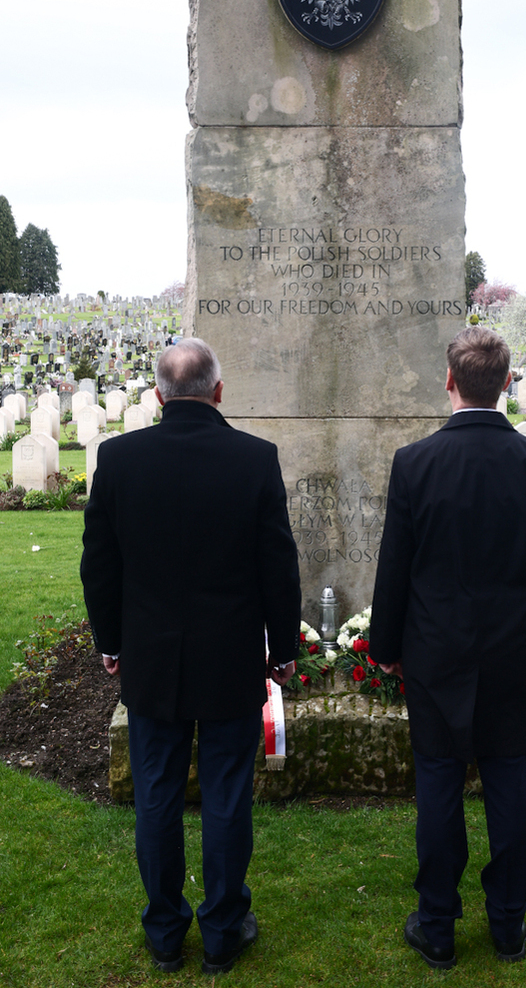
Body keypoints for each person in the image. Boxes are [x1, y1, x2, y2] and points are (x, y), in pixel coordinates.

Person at [81, 338, 301, 975]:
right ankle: (223, 928)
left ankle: (164, 929)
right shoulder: (254, 459)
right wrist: (283, 649)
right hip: (229, 656)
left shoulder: (119, 458)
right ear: (218, 391)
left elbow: (100, 565)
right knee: (227, 796)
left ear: (158, 395)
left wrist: (111, 642)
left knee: (157, 795)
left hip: (151, 658)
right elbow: (277, 569)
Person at [369, 326, 526, 968]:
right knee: (508, 782)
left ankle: (438, 923)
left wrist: (386, 645)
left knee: (439, 785)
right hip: (510, 649)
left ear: (449, 382)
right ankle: (508, 922)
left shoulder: (416, 462)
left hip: (437, 650)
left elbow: (394, 567)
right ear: (506, 383)